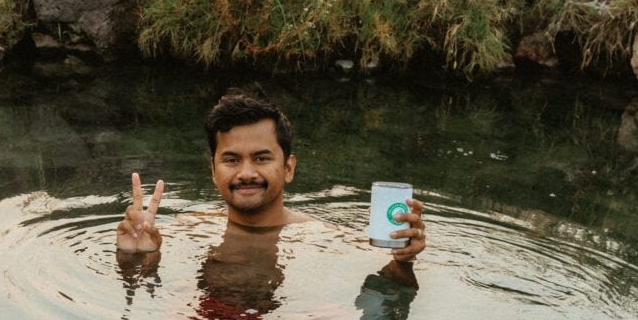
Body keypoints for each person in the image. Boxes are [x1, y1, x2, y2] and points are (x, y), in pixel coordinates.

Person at [115, 87, 426, 285]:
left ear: (288, 168)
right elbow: (146, 286)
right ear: (213, 170)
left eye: (262, 158)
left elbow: (385, 289)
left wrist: (403, 262)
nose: (246, 172)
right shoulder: (186, 230)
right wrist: (132, 258)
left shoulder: (325, 238)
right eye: (232, 160)